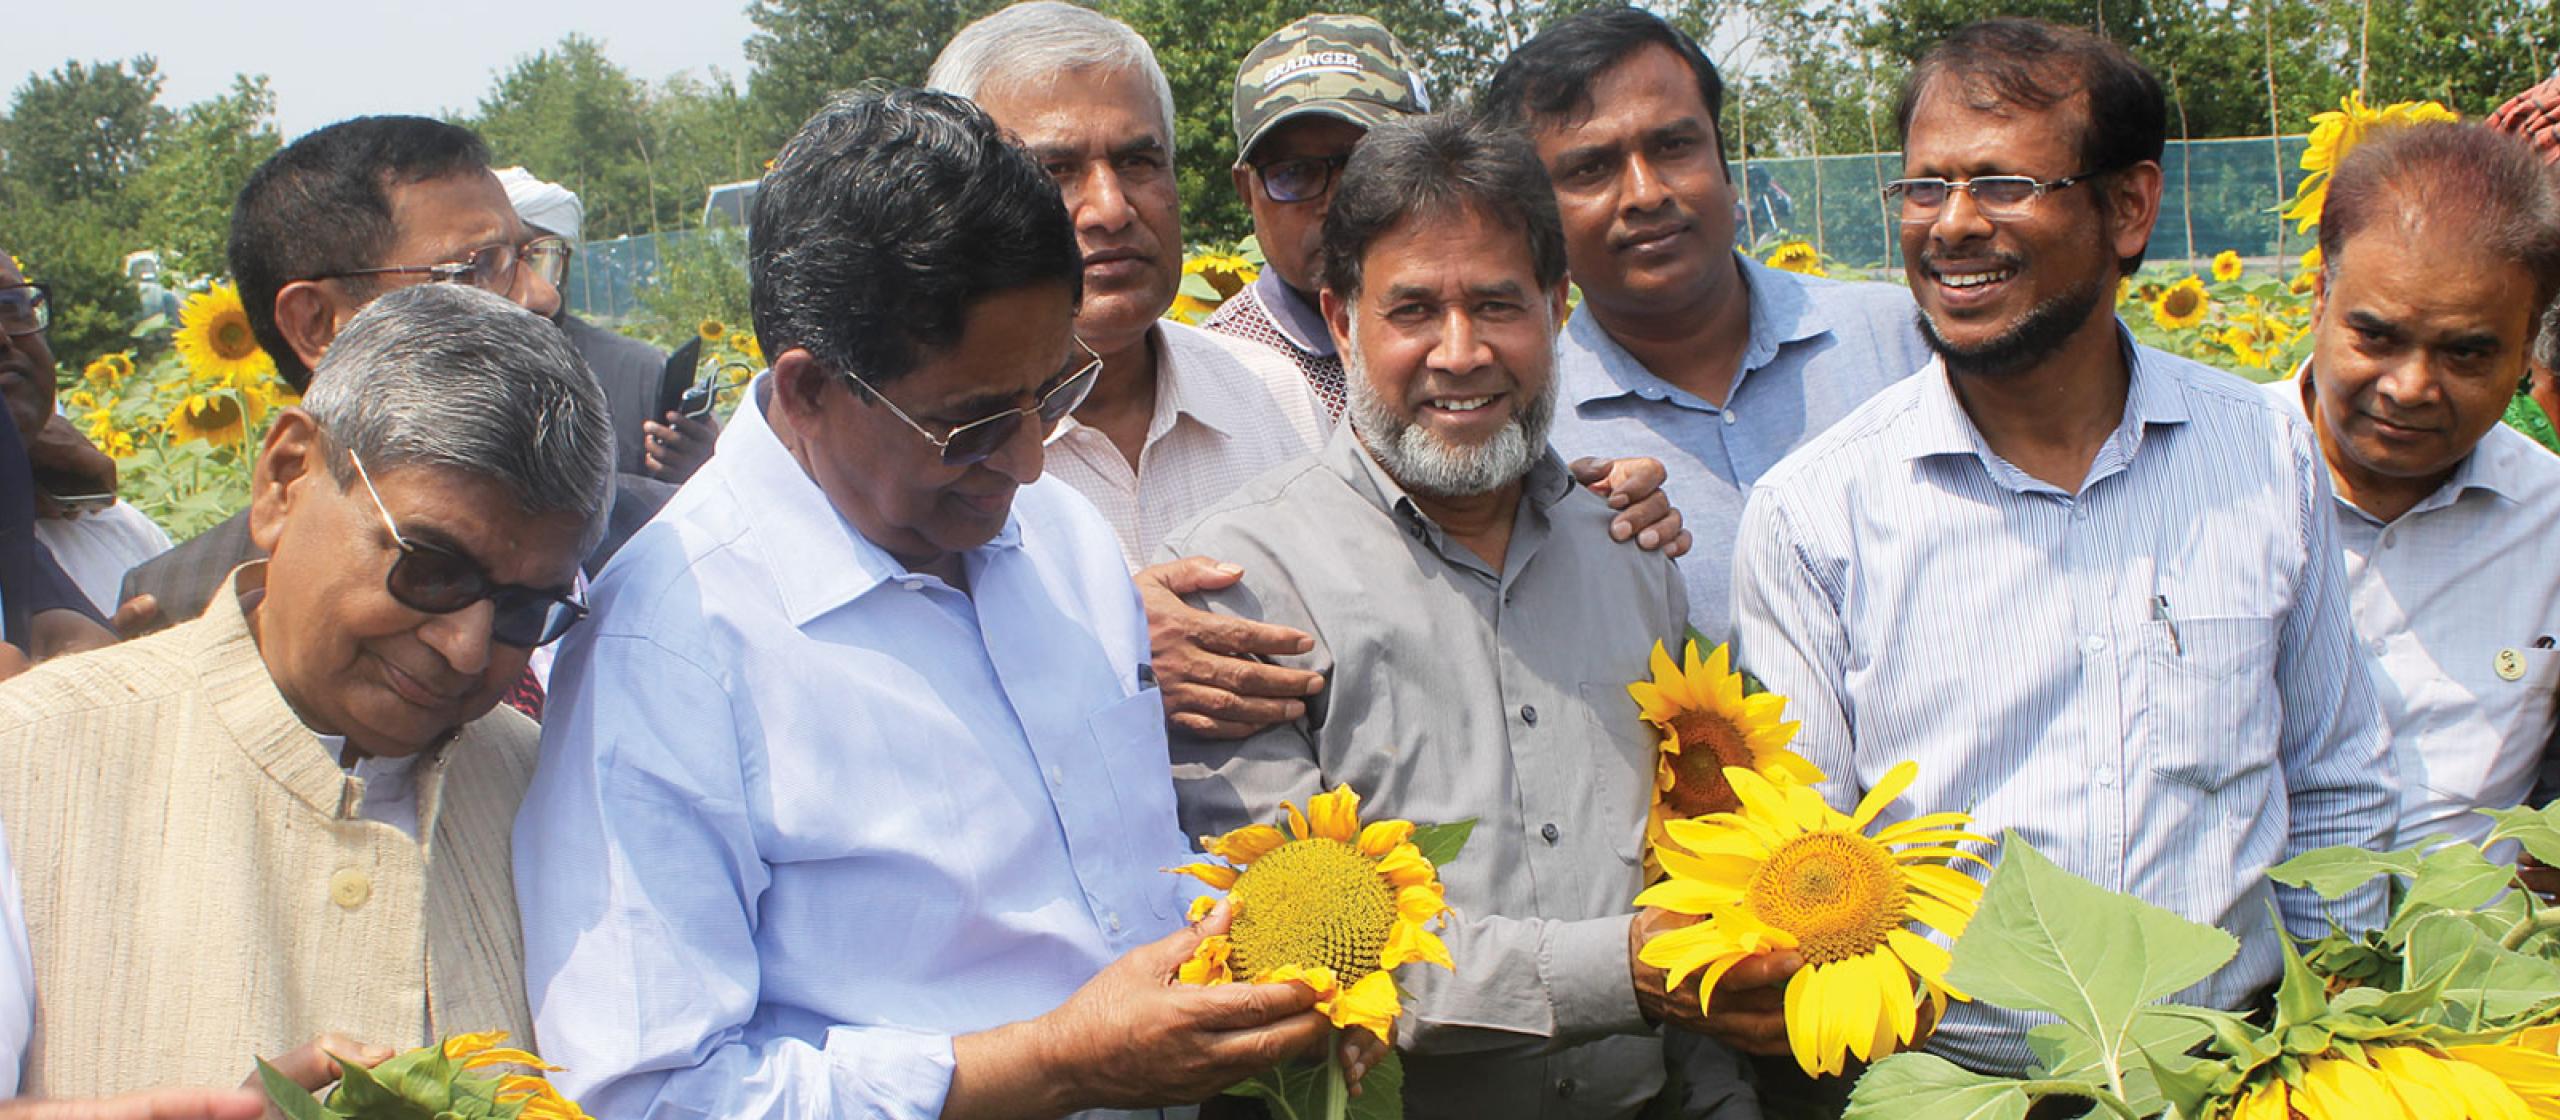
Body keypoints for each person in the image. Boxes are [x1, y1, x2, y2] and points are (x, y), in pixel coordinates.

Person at [515, 88, 1366, 1120]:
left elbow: (1116, 887)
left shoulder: (1059, 539)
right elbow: (647, 1094)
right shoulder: (665, 649)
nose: (1021, 459)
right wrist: (1054, 1064)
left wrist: (1266, 967)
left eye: (1050, 395)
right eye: (965, 427)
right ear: (807, 391)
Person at [1731, 18, 2391, 1080]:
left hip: (2236, 1074)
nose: (1950, 225)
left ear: (2128, 207)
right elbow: (1802, 851)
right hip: (1961, 1087)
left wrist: (2342, 1045)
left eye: (2000, 185)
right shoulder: (1817, 513)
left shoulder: (2262, 454)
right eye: (1923, 187)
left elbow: (2331, 777)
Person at [1168, 112, 1769, 1119]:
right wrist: (1622, 970)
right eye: (1412, 310)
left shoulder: (1629, 551)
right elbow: (1290, 953)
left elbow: (1694, 864)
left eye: (1498, 303)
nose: (1460, 352)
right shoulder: (1237, 584)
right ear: (1340, 318)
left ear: (1558, 308)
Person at [932, 3, 1686, 739]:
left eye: (1138, 162)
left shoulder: (1273, 393)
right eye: (1056, 170)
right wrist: (1110, 646)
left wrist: (1564, 521)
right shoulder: (918, 439)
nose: (1108, 208)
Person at [0, 282, 613, 1094]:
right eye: (431, 569)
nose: (466, 649)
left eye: (525, 608)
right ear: (285, 478)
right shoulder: (31, 765)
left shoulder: (563, 794)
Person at [1479, 7, 1932, 640]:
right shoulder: (1526, 438)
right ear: (1536, 217)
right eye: (1591, 169)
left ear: (1724, 161)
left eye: (1673, 146)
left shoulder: (1903, 343)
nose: (1644, 193)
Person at [115, 116, 601, 633]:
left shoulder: (643, 542)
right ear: (316, 324)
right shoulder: (175, 611)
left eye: (532, 257)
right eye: (477, 268)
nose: (542, 297)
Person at [2260, 122, 2560, 858]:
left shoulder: (2551, 522)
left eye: (2466, 352)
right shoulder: (2190, 480)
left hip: (2465, 961)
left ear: (2525, 350)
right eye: (2377, 336)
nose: (2412, 387)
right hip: (2223, 957)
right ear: (2321, 297)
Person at [1200, 14, 1427, 420]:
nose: (1337, 202)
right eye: (1293, 173)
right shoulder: (1218, 381)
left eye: (1367, 164)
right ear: (1246, 191)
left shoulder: (1494, 323)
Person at [496, 169, 718, 487]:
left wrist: (706, 466)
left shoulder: (641, 372)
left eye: (544, 261)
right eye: (501, 266)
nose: (537, 292)